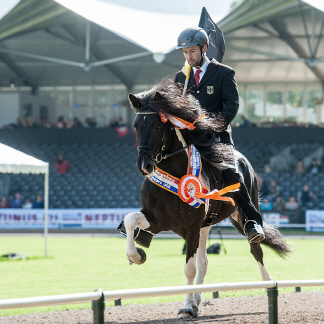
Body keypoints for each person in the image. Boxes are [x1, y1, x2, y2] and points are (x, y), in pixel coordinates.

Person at [174, 27, 264, 243]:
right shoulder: (181, 77)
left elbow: (232, 105)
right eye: (185, 53)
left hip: (217, 139)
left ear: (204, 48)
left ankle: (252, 221)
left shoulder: (224, 72)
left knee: (233, 175)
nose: (189, 56)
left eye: (193, 51)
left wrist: (212, 126)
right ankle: (149, 221)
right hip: (190, 141)